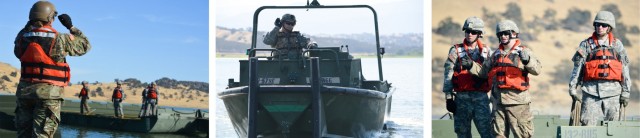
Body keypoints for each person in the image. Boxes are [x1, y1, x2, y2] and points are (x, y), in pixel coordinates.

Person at [13, 1, 91, 137]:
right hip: (48, 95)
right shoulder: (60, 38)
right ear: (50, 18)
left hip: (25, 93)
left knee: (23, 135)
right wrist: (71, 27)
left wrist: (30, 23)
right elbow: (85, 45)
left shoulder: (22, 38)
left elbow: (17, 51)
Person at [469, 20, 541, 138]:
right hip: (498, 104)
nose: (503, 36)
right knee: (498, 135)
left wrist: (527, 61)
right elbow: (483, 72)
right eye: (500, 34)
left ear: (513, 33)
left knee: (522, 135)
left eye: (506, 33)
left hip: (518, 103)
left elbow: (537, 70)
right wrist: (470, 65)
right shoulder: (496, 54)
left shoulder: (523, 51)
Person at [568, 11, 631, 126]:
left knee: (614, 128)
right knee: (587, 127)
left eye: (604, 25)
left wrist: (626, 92)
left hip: (613, 93)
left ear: (609, 28)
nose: (600, 27)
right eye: (597, 24)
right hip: (590, 93)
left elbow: (625, 70)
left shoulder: (617, 45)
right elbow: (577, 69)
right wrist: (572, 89)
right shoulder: (585, 45)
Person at [442, 16, 493, 138]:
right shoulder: (455, 50)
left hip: (481, 99)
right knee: (462, 134)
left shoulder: (487, 51)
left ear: (479, 34)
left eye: (473, 32)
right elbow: (448, 74)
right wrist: (449, 98)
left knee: (487, 133)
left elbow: (491, 75)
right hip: (461, 100)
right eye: (467, 31)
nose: (469, 34)